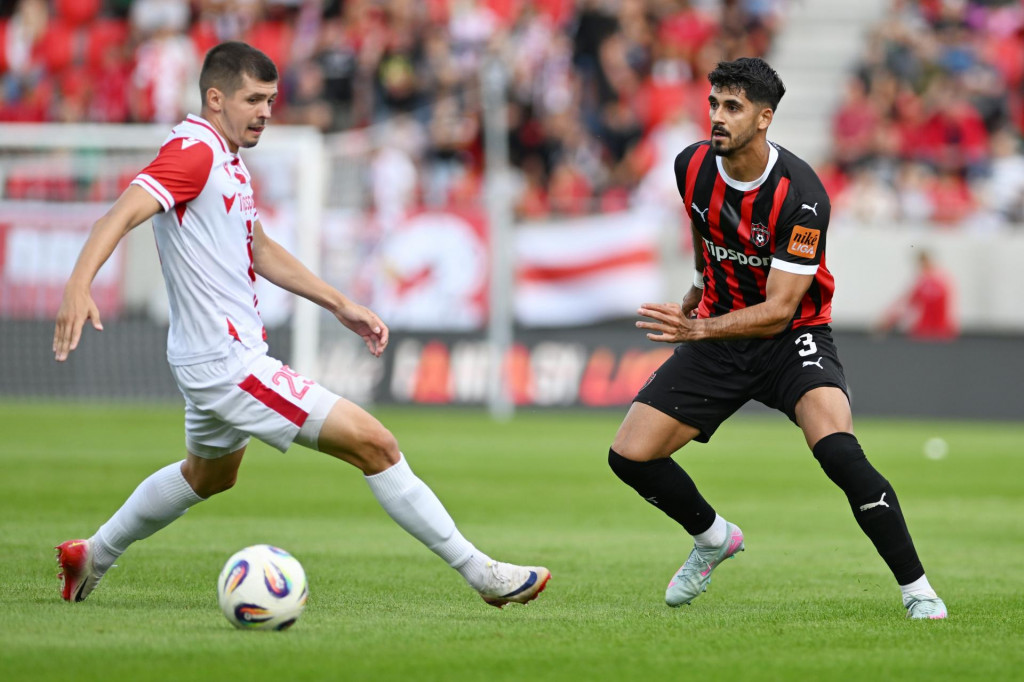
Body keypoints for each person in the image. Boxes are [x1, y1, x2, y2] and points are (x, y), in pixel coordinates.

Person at [51, 41, 549, 609]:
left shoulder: (224, 157)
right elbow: (117, 214)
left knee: (208, 476)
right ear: (215, 99)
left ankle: (92, 553)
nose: (266, 111)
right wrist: (78, 283)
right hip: (228, 362)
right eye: (253, 99)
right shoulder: (193, 153)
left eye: (271, 99)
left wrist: (338, 303)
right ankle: (482, 573)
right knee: (376, 445)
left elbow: (257, 247)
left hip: (207, 359)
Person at [607, 57, 946, 619]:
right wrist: (697, 287)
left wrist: (697, 327)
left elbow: (781, 307)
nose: (717, 116)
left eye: (732, 107)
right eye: (714, 103)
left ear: (764, 118)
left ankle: (918, 590)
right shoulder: (691, 164)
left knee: (839, 452)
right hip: (717, 332)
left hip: (792, 337)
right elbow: (703, 225)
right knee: (629, 456)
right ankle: (713, 537)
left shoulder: (803, 196)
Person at [877, 250, 958, 341]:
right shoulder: (922, 283)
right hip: (924, 330)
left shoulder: (939, 281)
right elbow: (906, 302)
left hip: (940, 330)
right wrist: (889, 317)